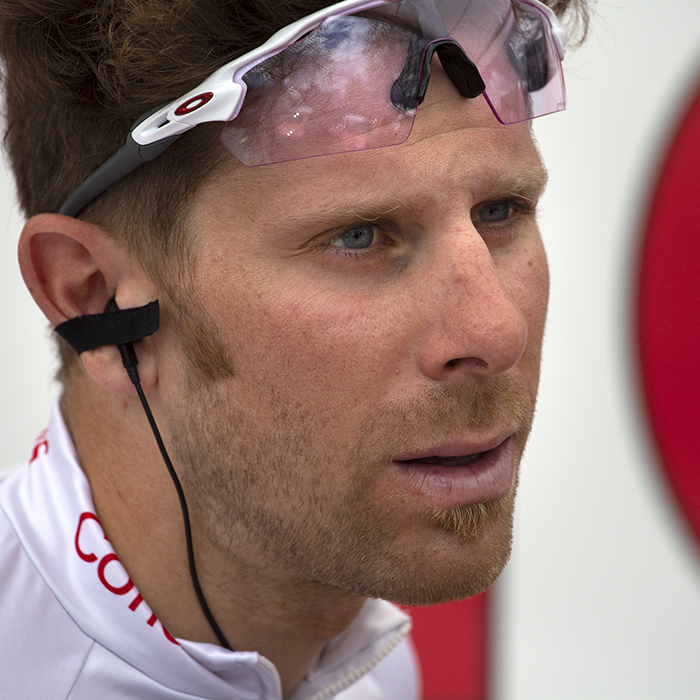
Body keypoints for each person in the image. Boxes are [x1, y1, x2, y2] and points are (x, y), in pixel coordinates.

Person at [0, 0, 587, 698]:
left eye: (500, 211)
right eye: (360, 236)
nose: (495, 332)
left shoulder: (371, 669)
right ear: (93, 297)